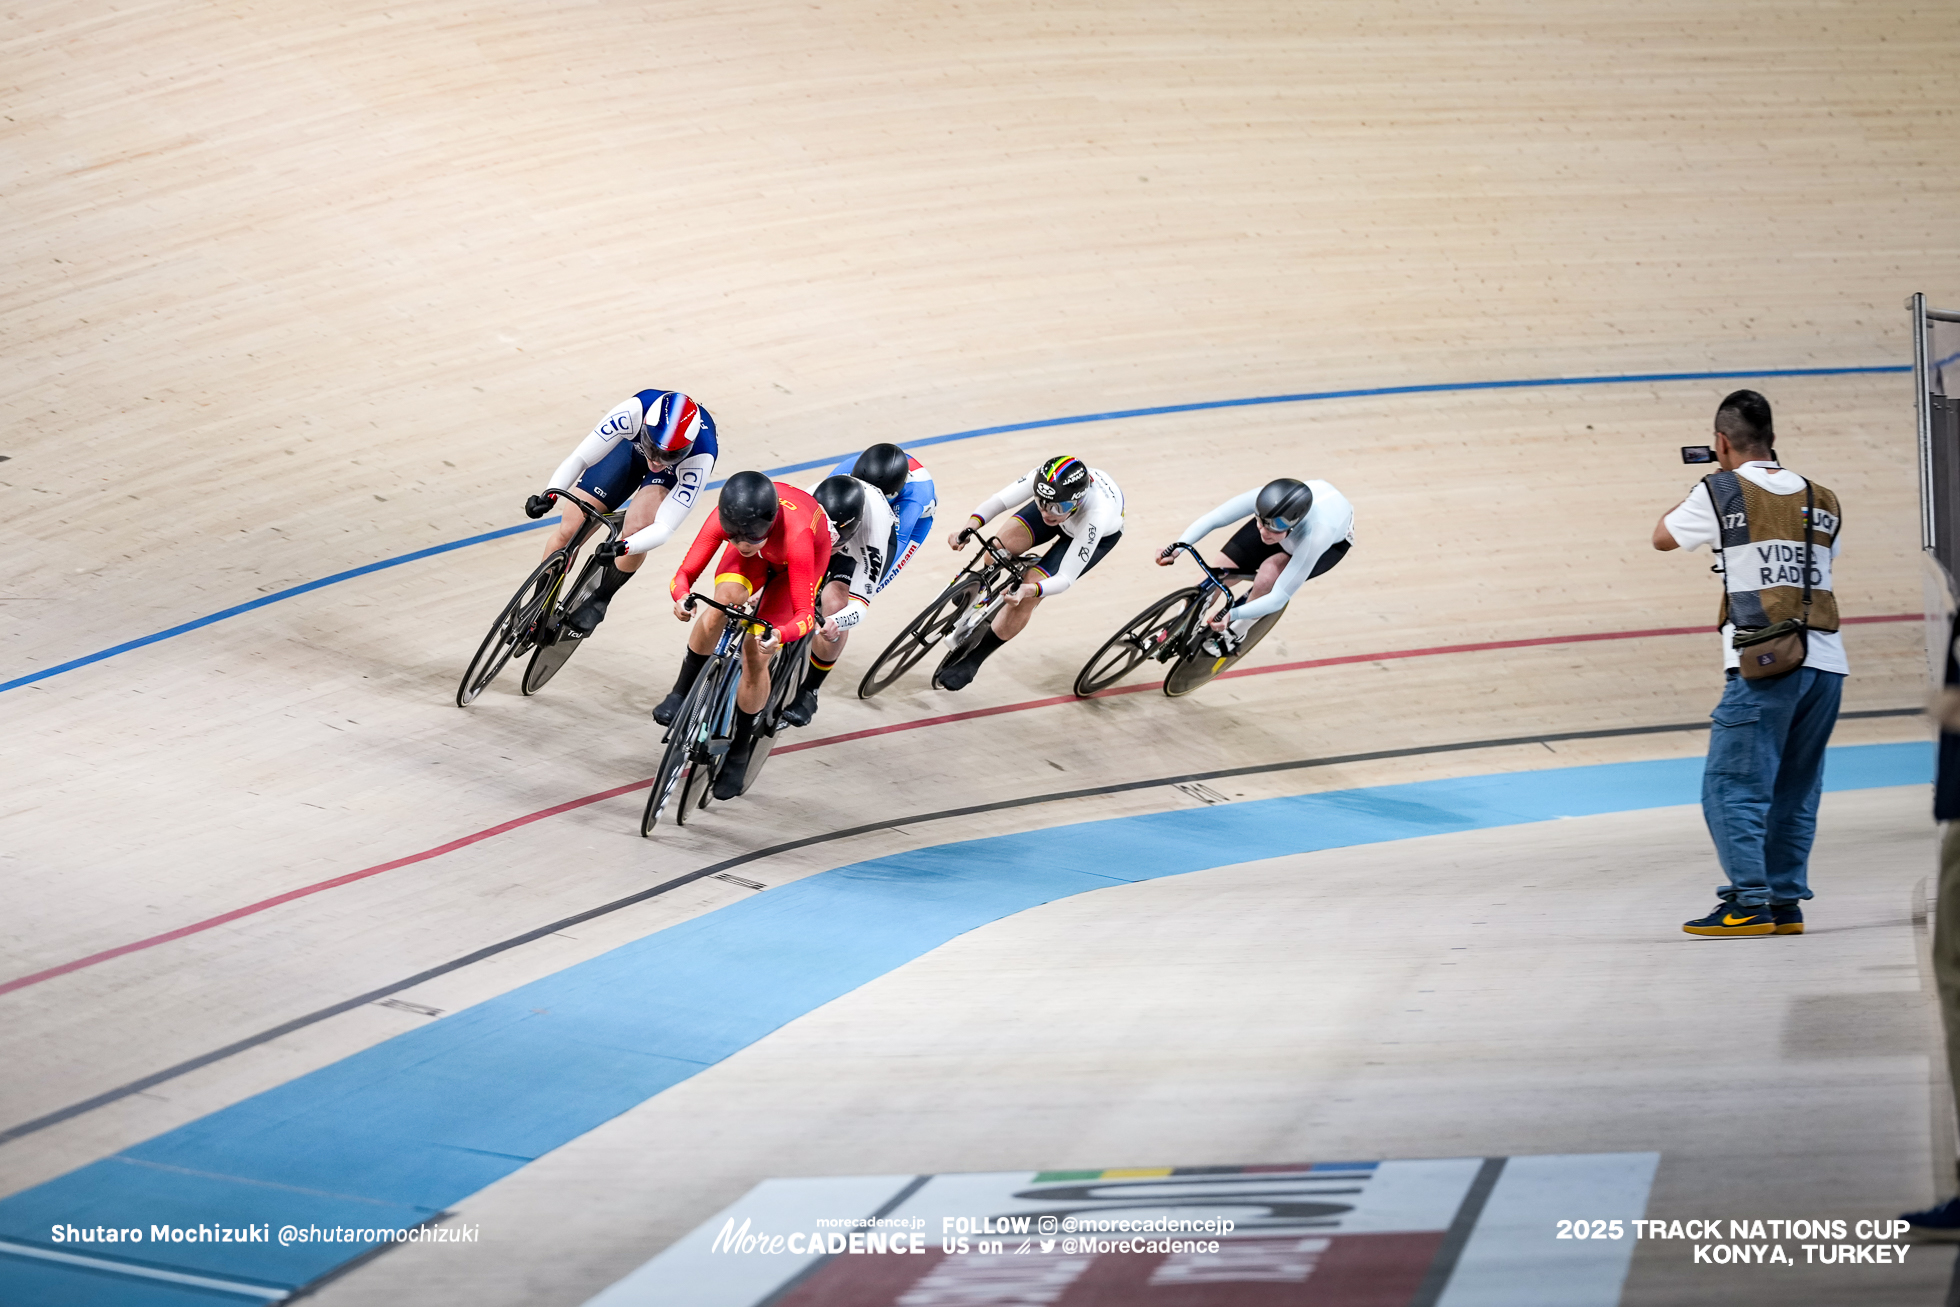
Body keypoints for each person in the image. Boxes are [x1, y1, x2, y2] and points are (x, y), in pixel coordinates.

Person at [1652, 389, 1845, 938]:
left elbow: (1663, 537)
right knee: (1795, 788)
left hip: (1764, 663)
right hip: (1827, 661)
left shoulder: (1719, 488)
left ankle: (1748, 903)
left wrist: (1705, 484)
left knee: (1731, 786)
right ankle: (1785, 902)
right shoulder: (1823, 497)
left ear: (1721, 443)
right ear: (1773, 441)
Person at [658, 471, 828, 800]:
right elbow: (685, 573)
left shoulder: (798, 537)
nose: (741, 545)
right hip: (761, 556)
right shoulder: (733, 521)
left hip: (796, 565)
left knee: (755, 652)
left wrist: (780, 634)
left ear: (767, 525)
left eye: (750, 538)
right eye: (733, 538)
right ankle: (680, 693)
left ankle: (739, 749)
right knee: (719, 606)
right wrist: (681, 597)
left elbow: (805, 616)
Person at [522, 389, 718, 636]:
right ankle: (538, 602)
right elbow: (580, 458)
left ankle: (600, 598)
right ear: (645, 427)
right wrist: (550, 494)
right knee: (571, 529)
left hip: (670, 475)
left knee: (638, 530)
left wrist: (622, 547)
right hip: (630, 449)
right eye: (653, 449)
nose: (656, 461)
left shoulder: (701, 456)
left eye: (668, 455)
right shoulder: (634, 411)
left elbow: (664, 528)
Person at [778, 444, 938, 726]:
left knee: (838, 600)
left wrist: (840, 615)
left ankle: (809, 690)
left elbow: (882, 556)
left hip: (892, 534)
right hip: (846, 520)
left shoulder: (911, 502)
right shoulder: (844, 473)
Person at [936, 455, 1123, 691]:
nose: (1047, 512)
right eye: (1041, 502)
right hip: (1067, 515)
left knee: (1031, 589)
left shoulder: (1097, 515)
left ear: (1077, 501)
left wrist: (1026, 589)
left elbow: (1065, 579)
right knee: (997, 549)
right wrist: (968, 528)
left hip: (1090, 535)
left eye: (1056, 506)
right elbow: (998, 502)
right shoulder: (1047, 486)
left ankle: (974, 660)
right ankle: (982, 584)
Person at [1159, 477, 1355, 652]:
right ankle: (1180, 624)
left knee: (1268, 576)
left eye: (1272, 528)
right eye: (1259, 522)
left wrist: (1231, 613)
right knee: (1217, 572)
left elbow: (1278, 598)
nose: (1263, 532)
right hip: (1285, 521)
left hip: (1330, 544)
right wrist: (1176, 549)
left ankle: (1237, 633)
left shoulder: (1317, 536)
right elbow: (1213, 519)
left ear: (1293, 524)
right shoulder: (1264, 503)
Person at [777, 474, 899, 727]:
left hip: (856, 554)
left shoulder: (872, 534)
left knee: (835, 599)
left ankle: (810, 690)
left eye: (837, 541)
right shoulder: (807, 500)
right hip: (814, 530)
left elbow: (859, 607)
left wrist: (835, 621)